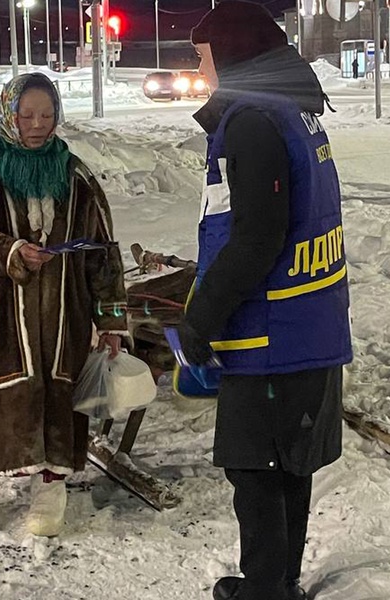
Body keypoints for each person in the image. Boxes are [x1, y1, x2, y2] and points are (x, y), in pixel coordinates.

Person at [178, 3, 353, 599]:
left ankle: (264, 592)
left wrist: (201, 317)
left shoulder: (253, 122)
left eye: (202, 56)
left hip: (275, 330)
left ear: (228, 53)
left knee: (256, 468)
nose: (200, 69)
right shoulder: (293, 112)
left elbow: (256, 236)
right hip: (308, 323)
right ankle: (277, 583)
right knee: (286, 464)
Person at [0, 73, 129, 538]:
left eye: (47, 115)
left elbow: (101, 250)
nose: (38, 125)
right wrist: (7, 251)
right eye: (26, 115)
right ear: (8, 115)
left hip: (59, 318)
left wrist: (110, 318)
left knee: (55, 397)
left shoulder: (76, 178)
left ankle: (50, 488)